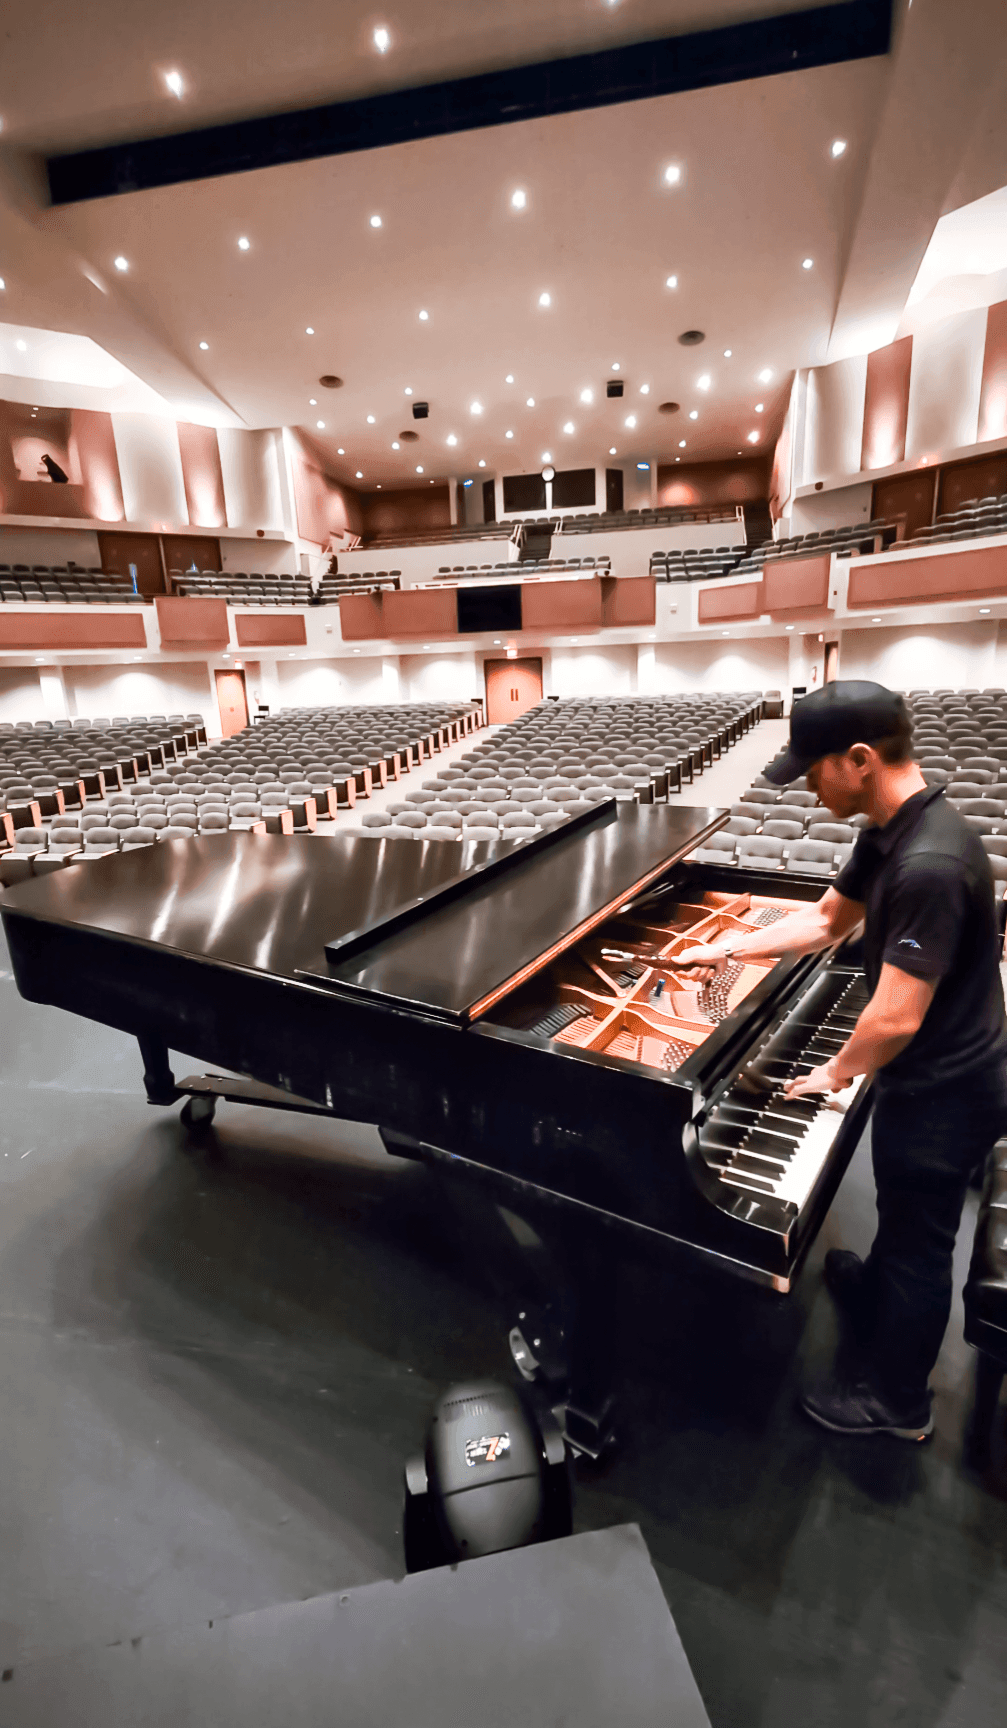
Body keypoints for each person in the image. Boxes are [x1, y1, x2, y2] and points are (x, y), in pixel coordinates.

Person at [673, 680, 1007, 1441]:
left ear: (859, 759)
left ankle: (898, 1403)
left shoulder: (927, 862)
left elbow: (892, 1020)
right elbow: (828, 920)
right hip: (935, 1071)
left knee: (922, 1241)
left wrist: (834, 1072)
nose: (807, 786)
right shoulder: (892, 830)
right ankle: (874, 1292)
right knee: (901, 1211)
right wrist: (728, 946)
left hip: (947, 1087)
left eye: (813, 768)